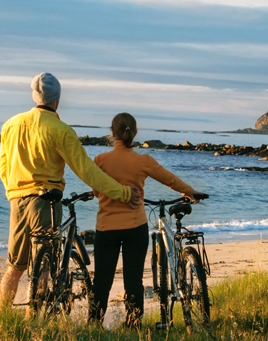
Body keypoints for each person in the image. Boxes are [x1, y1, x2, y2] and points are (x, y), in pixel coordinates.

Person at [0, 72, 136, 313]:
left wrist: (14, 192)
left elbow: (4, 166)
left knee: (14, 266)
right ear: (57, 99)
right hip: (46, 203)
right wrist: (122, 192)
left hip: (17, 201)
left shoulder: (11, 124)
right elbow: (87, 171)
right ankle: (34, 322)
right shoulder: (60, 129)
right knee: (44, 267)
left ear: (34, 95)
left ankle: (0, 318)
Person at [89, 112, 207, 327]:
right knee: (133, 279)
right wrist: (190, 192)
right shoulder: (143, 160)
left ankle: (93, 326)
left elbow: (97, 191)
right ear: (134, 133)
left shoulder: (100, 161)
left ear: (112, 133)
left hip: (106, 228)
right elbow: (169, 179)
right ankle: (133, 325)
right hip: (135, 227)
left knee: (102, 280)